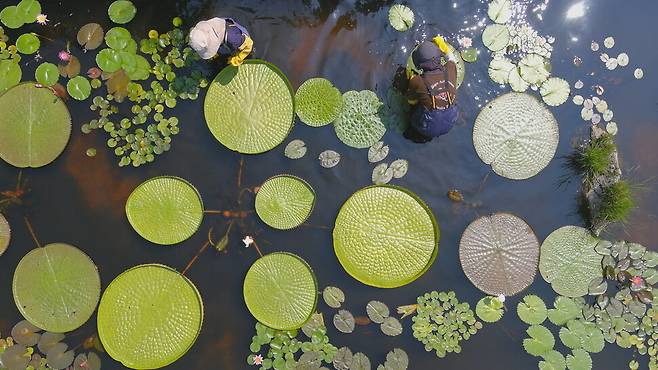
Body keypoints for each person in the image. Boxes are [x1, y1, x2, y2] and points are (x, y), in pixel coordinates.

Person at [405, 36, 459, 143]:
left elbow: (411, 101)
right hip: (451, 123)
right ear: (439, 56)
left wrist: (411, 79)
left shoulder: (417, 80)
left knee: (411, 112)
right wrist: (445, 48)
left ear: (418, 64)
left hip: (426, 128)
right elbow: (451, 59)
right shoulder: (451, 69)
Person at [189, 17, 253, 66]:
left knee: (246, 51)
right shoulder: (207, 27)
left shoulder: (233, 40)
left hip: (238, 37)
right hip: (224, 25)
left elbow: (249, 44)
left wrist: (237, 58)